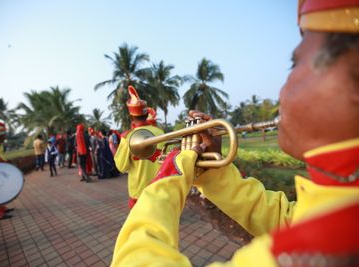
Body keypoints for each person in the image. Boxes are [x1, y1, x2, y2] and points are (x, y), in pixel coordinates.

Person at [111, 1, 359, 266]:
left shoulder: (331, 244)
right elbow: (288, 219)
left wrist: (170, 177)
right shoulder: (343, 193)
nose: (281, 90)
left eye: (294, 63)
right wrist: (214, 171)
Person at [114, 85, 165, 209]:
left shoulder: (128, 137)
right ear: (146, 113)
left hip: (138, 193)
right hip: (160, 191)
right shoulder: (161, 133)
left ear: (131, 116)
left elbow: (121, 167)